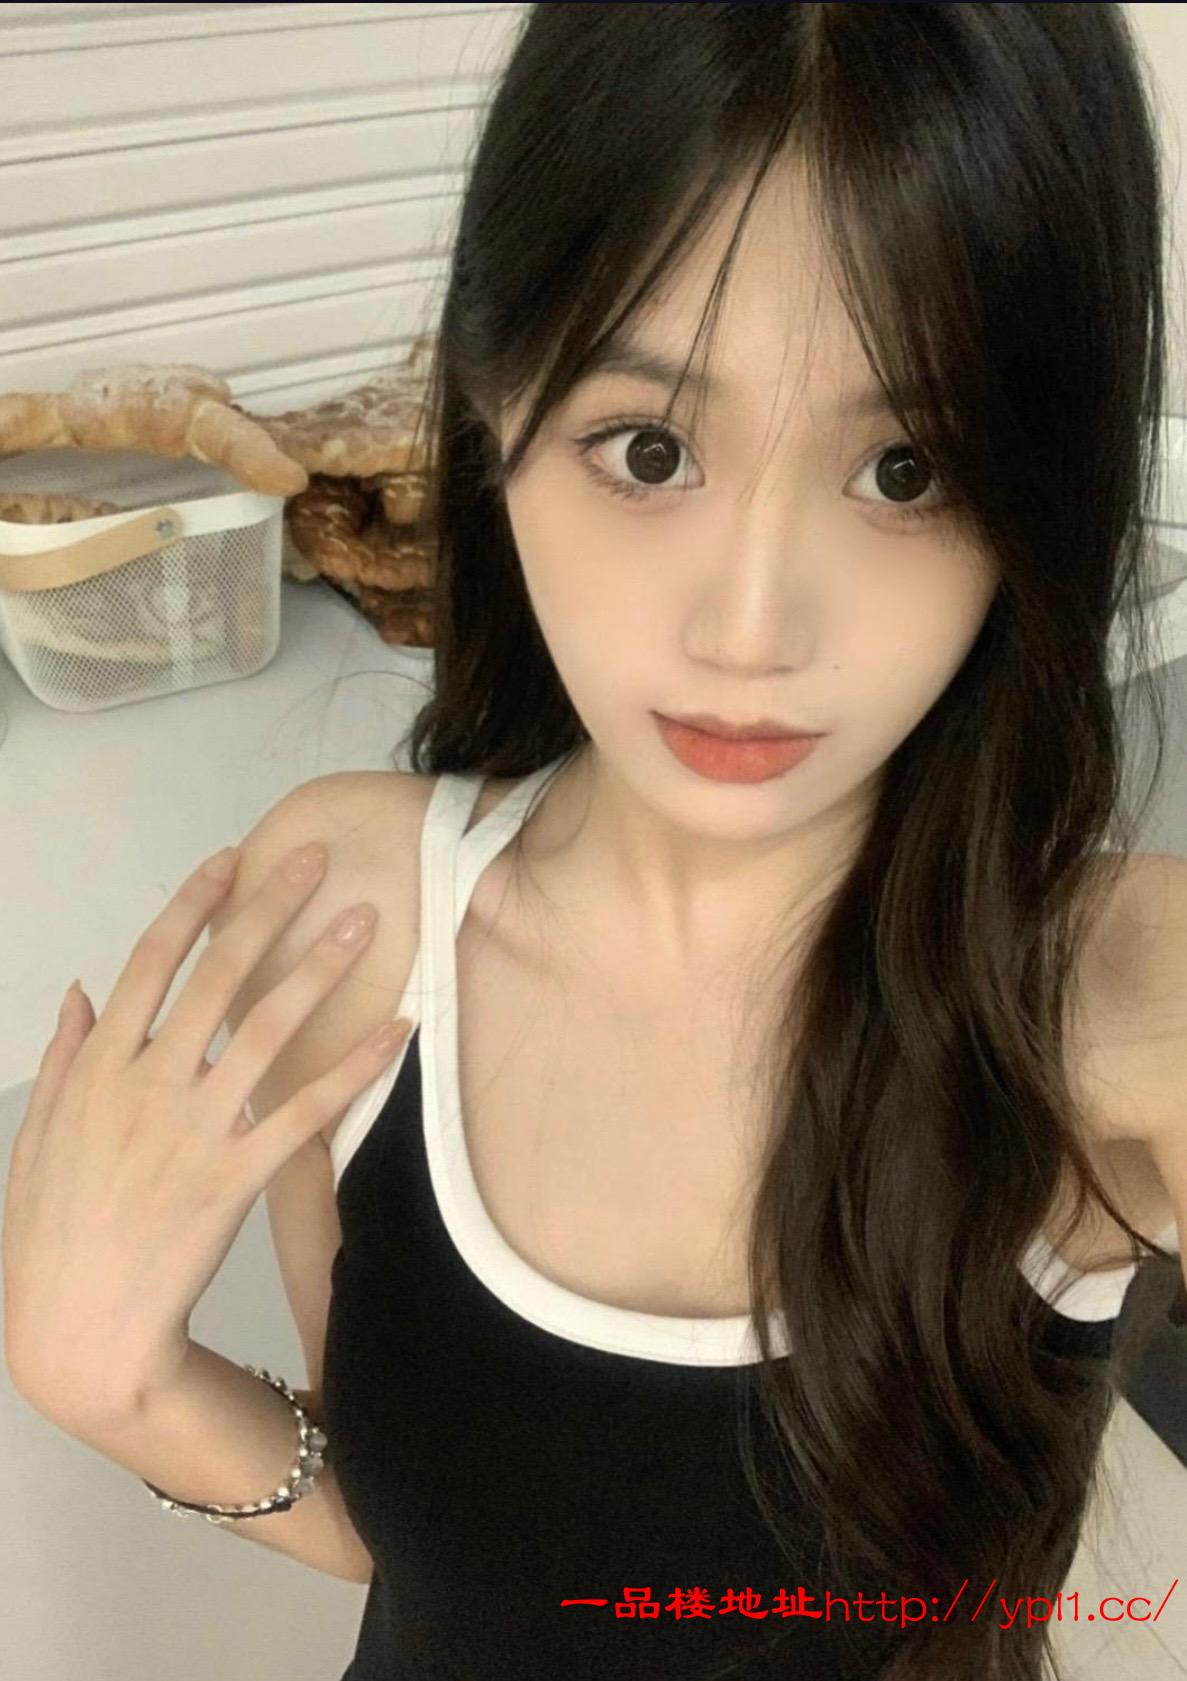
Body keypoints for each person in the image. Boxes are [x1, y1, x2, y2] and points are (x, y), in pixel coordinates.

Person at [6, 7, 1185, 1681]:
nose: (751, 627)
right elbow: (426, 1538)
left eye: (905, 468)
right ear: (495, 406)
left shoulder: (1114, 1009)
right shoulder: (350, 917)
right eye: (650, 449)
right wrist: (117, 1380)